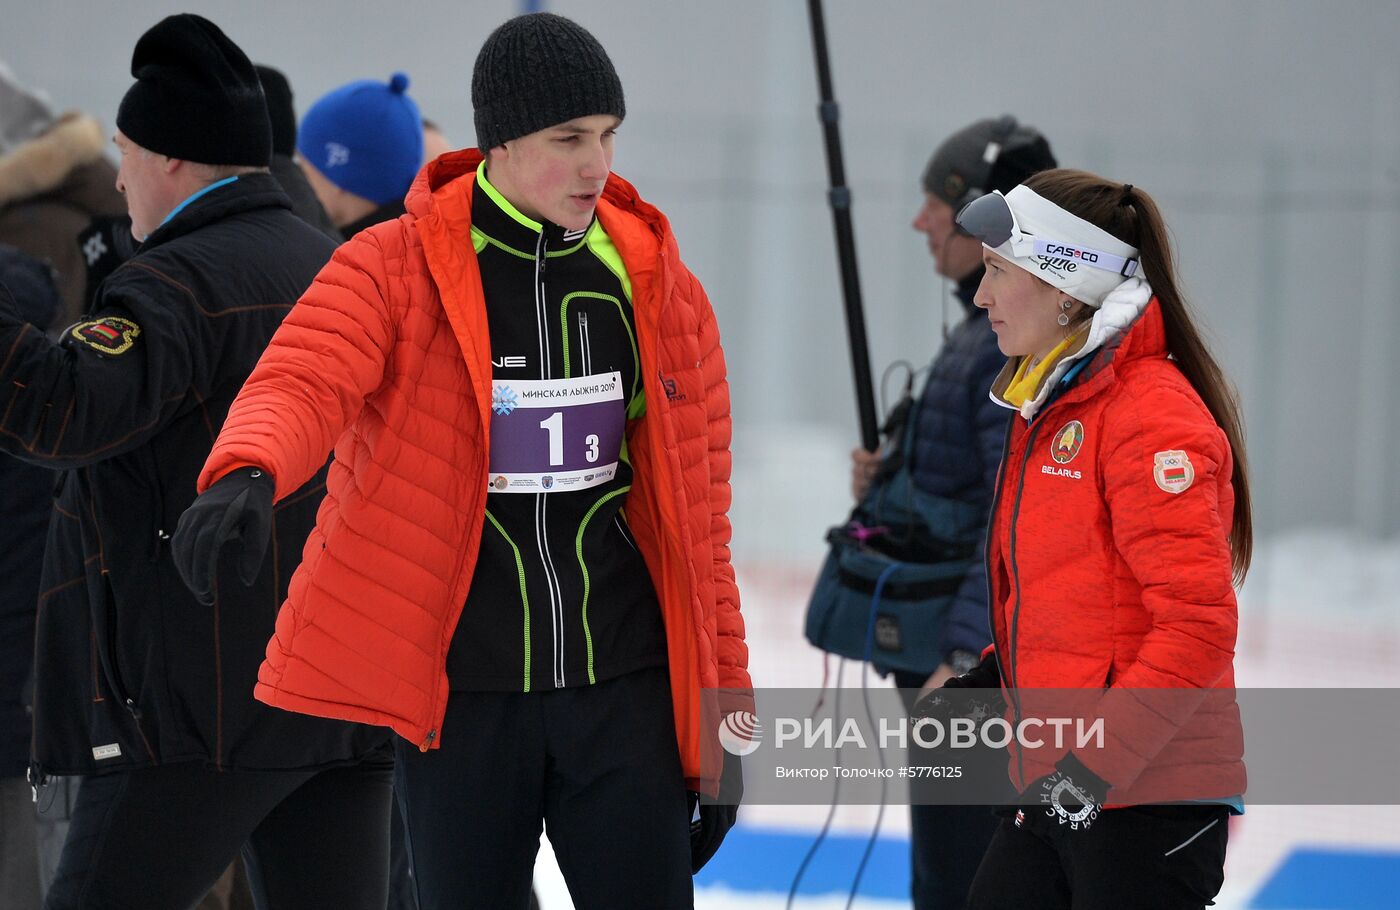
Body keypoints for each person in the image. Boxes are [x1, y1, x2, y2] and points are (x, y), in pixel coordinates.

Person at [172, 12, 751, 910]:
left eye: (607, 136)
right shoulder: (395, 268)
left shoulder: (655, 284)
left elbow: (702, 530)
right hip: (466, 700)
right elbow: (305, 376)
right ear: (503, 142)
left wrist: (723, 732)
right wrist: (249, 468)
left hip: (622, 690)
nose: (598, 164)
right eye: (570, 138)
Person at [0, 15, 393, 909]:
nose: (119, 173)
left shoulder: (176, 285)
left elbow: (59, 409)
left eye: (126, 149)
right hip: (340, 708)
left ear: (173, 161)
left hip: (203, 715)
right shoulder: (328, 263)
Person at [930, 169, 1250, 909]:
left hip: (1145, 804)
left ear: (1066, 288)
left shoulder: (1150, 416)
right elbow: (1074, 600)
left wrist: (1089, 770)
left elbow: (1197, 630)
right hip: (1057, 784)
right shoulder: (1054, 402)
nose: (980, 297)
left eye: (996, 272)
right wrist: (988, 682)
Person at [846, 115, 1054, 910]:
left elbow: (1011, 518)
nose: (921, 221)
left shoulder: (1007, 349)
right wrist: (893, 476)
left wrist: (967, 657)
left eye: (940, 203)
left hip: (971, 676)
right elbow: (968, 486)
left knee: (961, 882)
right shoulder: (982, 335)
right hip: (956, 666)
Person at [296, 72, 423, 237]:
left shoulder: (346, 258)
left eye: (304, 165)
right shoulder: (417, 242)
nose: (297, 176)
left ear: (339, 175)